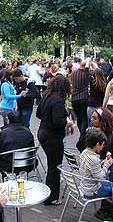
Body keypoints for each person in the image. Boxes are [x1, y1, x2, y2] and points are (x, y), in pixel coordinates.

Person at [36, 75, 74, 205]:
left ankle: (49, 194)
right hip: (52, 136)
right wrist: (68, 123)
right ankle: (52, 197)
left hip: (43, 133)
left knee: (52, 165)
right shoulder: (58, 100)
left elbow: (38, 114)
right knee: (55, 166)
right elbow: (58, 121)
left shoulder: (47, 96)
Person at [78, 128, 113, 221]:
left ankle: (104, 210)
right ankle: (107, 213)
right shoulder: (93, 158)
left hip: (85, 185)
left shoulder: (84, 152)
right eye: (102, 145)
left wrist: (102, 163)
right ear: (97, 144)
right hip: (92, 190)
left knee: (112, 185)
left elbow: (93, 170)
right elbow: (101, 177)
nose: (103, 147)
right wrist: (107, 164)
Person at [77, 108, 113, 181]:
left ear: (102, 121)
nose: (91, 119)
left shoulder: (108, 136)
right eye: (92, 117)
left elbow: (79, 146)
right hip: (98, 170)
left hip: (92, 170)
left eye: (94, 118)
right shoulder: (89, 132)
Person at [71, 60, 90, 136]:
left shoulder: (73, 73)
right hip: (83, 97)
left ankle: (81, 134)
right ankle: (82, 135)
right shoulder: (85, 73)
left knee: (79, 118)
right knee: (84, 118)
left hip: (74, 98)